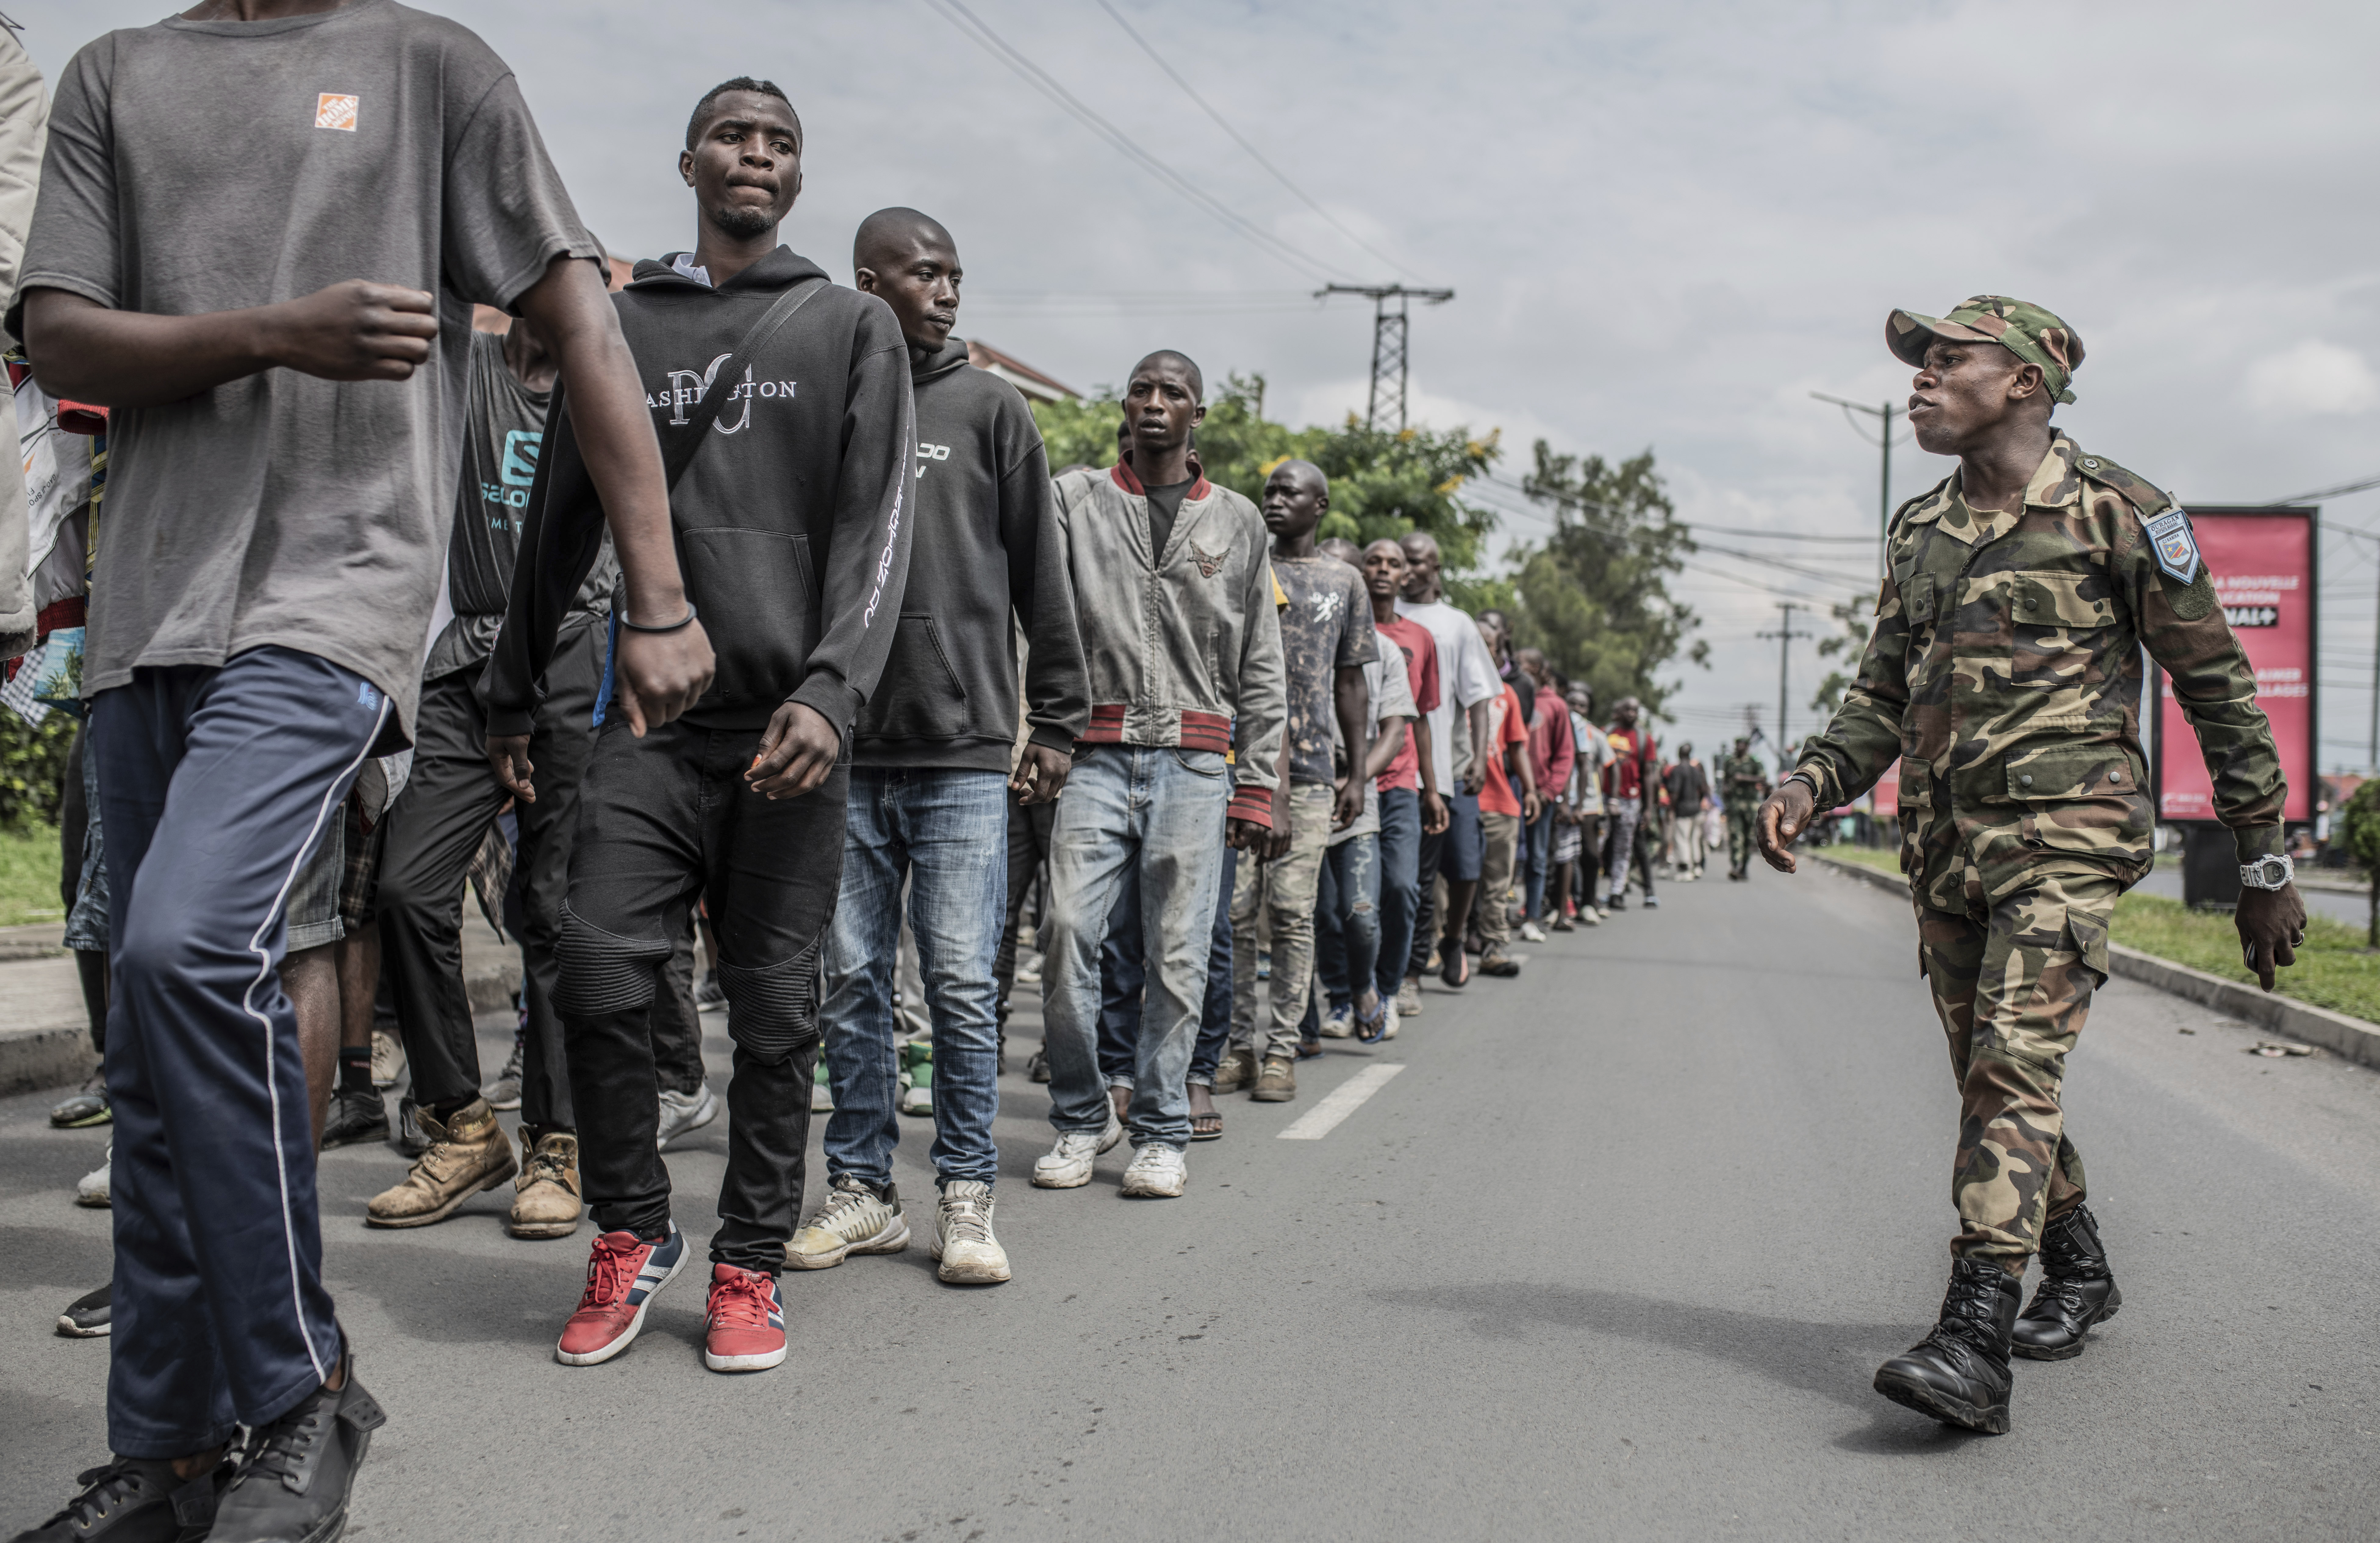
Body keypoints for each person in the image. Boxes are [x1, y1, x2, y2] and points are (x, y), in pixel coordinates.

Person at [9, 4, 714, 1535]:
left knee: (189, 945)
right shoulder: (117, 76)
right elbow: (56, 328)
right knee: (154, 1036)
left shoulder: (432, 68)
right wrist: (273, 332)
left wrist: (657, 597)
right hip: (148, 609)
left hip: (337, 591)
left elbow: (585, 319)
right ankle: (170, 1450)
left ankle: (304, 1390)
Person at [1758, 295, 2305, 1436]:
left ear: (2022, 381)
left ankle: (1971, 1334)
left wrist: (2261, 865)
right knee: (1990, 1072)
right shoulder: (1919, 528)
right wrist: (1812, 779)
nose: (1916, 378)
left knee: (2011, 1061)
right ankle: (2077, 1258)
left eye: (1943, 359)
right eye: (1918, 362)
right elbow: (1879, 692)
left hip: (2066, 839)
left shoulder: (2121, 511)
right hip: (1947, 846)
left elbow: (2217, 685)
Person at [483, 79, 913, 1376]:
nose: (756, 155)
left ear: (797, 175)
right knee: (598, 972)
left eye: (780, 141)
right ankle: (630, 1234)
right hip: (644, 722)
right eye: (735, 134)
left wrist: (833, 690)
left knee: (780, 1017)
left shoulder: (851, 327)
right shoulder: (619, 324)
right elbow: (562, 515)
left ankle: (746, 1262)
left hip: (788, 729)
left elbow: (877, 532)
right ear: (690, 161)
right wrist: (512, 692)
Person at [797, 208, 1087, 1286]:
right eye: (927, 274)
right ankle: (864, 1190)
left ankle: (965, 1195)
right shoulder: (830, 401)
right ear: (870, 282)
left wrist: (1055, 719)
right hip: (845, 747)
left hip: (965, 752)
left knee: (964, 984)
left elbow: (1039, 577)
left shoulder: (992, 409)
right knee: (852, 980)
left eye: (957, 274)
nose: (950, 292)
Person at [363, 298, 620, 1240]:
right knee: (404, 888)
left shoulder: (607, 383)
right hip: (464, 659)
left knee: (551, 910)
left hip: (570, 659)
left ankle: (557, 1141)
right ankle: (464, 1127)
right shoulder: (463, 364)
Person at [1032, 348, 1283, 1199]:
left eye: (1172, 392)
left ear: (1195, 414)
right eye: (1141, 388)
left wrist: (1257, 778)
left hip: (1195, 763)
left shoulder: (1240, 520)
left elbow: (1262, 662)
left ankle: (1162, 1128)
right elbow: (1035, 622)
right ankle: (1081, 1113)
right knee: (1066, 931)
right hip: (1093, 753)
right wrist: (1035, 734)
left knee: (1179, 954)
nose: (1153, 402)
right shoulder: (1074, 499)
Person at [1219, 460, 1369, 1102]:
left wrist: (1357, 771)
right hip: (1236, 768)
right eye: (1269, 491)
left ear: (1321, 506)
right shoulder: (1243, 561)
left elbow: (1350, 681)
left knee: (1291, 911)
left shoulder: (1345, 582)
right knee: (1233, 914)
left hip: (1310, 775)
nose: (1275, 501)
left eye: (1290, 493)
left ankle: (1281, 1048)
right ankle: (1237, 1047)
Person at [1309, 535, 1414, 1042]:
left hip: (1357, 796)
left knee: (1361, 913)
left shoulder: (1386, 651)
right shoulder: (1295, 635)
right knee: (1318, 912)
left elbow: (1394, 730)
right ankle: (1333, 999)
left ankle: (1363, 986)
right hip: (1303, 787)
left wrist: (1356, 778)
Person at [1395, 532, 1497, 998]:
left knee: (1465, 864)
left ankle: (1454, 938)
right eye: (1401, 561)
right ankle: (1409, 968)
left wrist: (1479, 756)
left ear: (1436, 569)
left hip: (1448, 765)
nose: (1406, 570)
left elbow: (1478, 698)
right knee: (1409, 877)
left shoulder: (1456, 623)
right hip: (1397, 766)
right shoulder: (1381, 612)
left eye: (1415, 562)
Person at [1350, 538, 1442, 1022]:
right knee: (1350, 899)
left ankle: (1390, 988)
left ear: (1407, 576)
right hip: (1346, 782)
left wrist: (1431, 787)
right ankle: (1348, 990)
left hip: (1401, 781)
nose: (1383, 570)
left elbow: (1419, 719)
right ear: (1360, 570)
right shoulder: (1346, 626)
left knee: (1403, 887)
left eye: (1394, 564)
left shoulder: (1421, 639)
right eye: (1374, 562)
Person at [1469, 614, 1536, 976]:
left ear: (1499, 653)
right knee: (1449, 880)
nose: (1484, 653)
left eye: (1490, 647)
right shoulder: (1450, 688)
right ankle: (1437, 945)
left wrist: (1530, 791)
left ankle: (1492, 947)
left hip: (1499, 802)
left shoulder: (1507, 694)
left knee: (1497, 883)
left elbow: (1517, 748)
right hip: (1458, 800)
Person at [1515, 648, 1573, 939]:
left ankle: (1532, 917)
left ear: (1537, 669)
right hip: (1508, 790)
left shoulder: (1556, 706)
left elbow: (1565, 755)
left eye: (1522, 663)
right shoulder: (1509, 693)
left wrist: (1549, 792)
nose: (1515, 665)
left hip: (1540, 796)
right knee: (1505, 857)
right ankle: (1497, 917)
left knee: (1538, 858)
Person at [1601, 698, 1658, 911]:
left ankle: (1617, 892)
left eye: (1636, 710)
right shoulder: (1606, 732)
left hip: (1631, 801)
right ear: (1619, 711)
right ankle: (1583, 894)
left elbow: (1649, 774)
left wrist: (1648, 808)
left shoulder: (1644, 738)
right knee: (1595, 846)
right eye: (1628, 709)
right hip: (1605, 798)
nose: (1632, 713)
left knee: (1623, 849)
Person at [1719, 735, 1766, 881]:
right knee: (1735, 836)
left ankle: (1744, 867)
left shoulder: (1754, 762)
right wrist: (1726, 792)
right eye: (1737, 744)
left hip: (1750, 805)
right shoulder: (1730, 762)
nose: (1739, 747)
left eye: (1742, 744)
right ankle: (1735, 866)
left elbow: (1762, 778)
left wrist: (1744, 778)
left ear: (1747, 747)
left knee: (1748, 837)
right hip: (1734, 805)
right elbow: (1726, 781)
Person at [1662, 743, 1710, 881]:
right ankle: (1696, 867)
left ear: (1679, 754)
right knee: (1694, 838)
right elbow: (1703, 789)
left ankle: (1685, 869)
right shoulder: (1696, 771)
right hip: (1696, 808)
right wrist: (1698, 803)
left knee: (1682, 839)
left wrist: (1671, 809)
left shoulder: (1677, 771)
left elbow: (1675, 792)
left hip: (1683, 809)